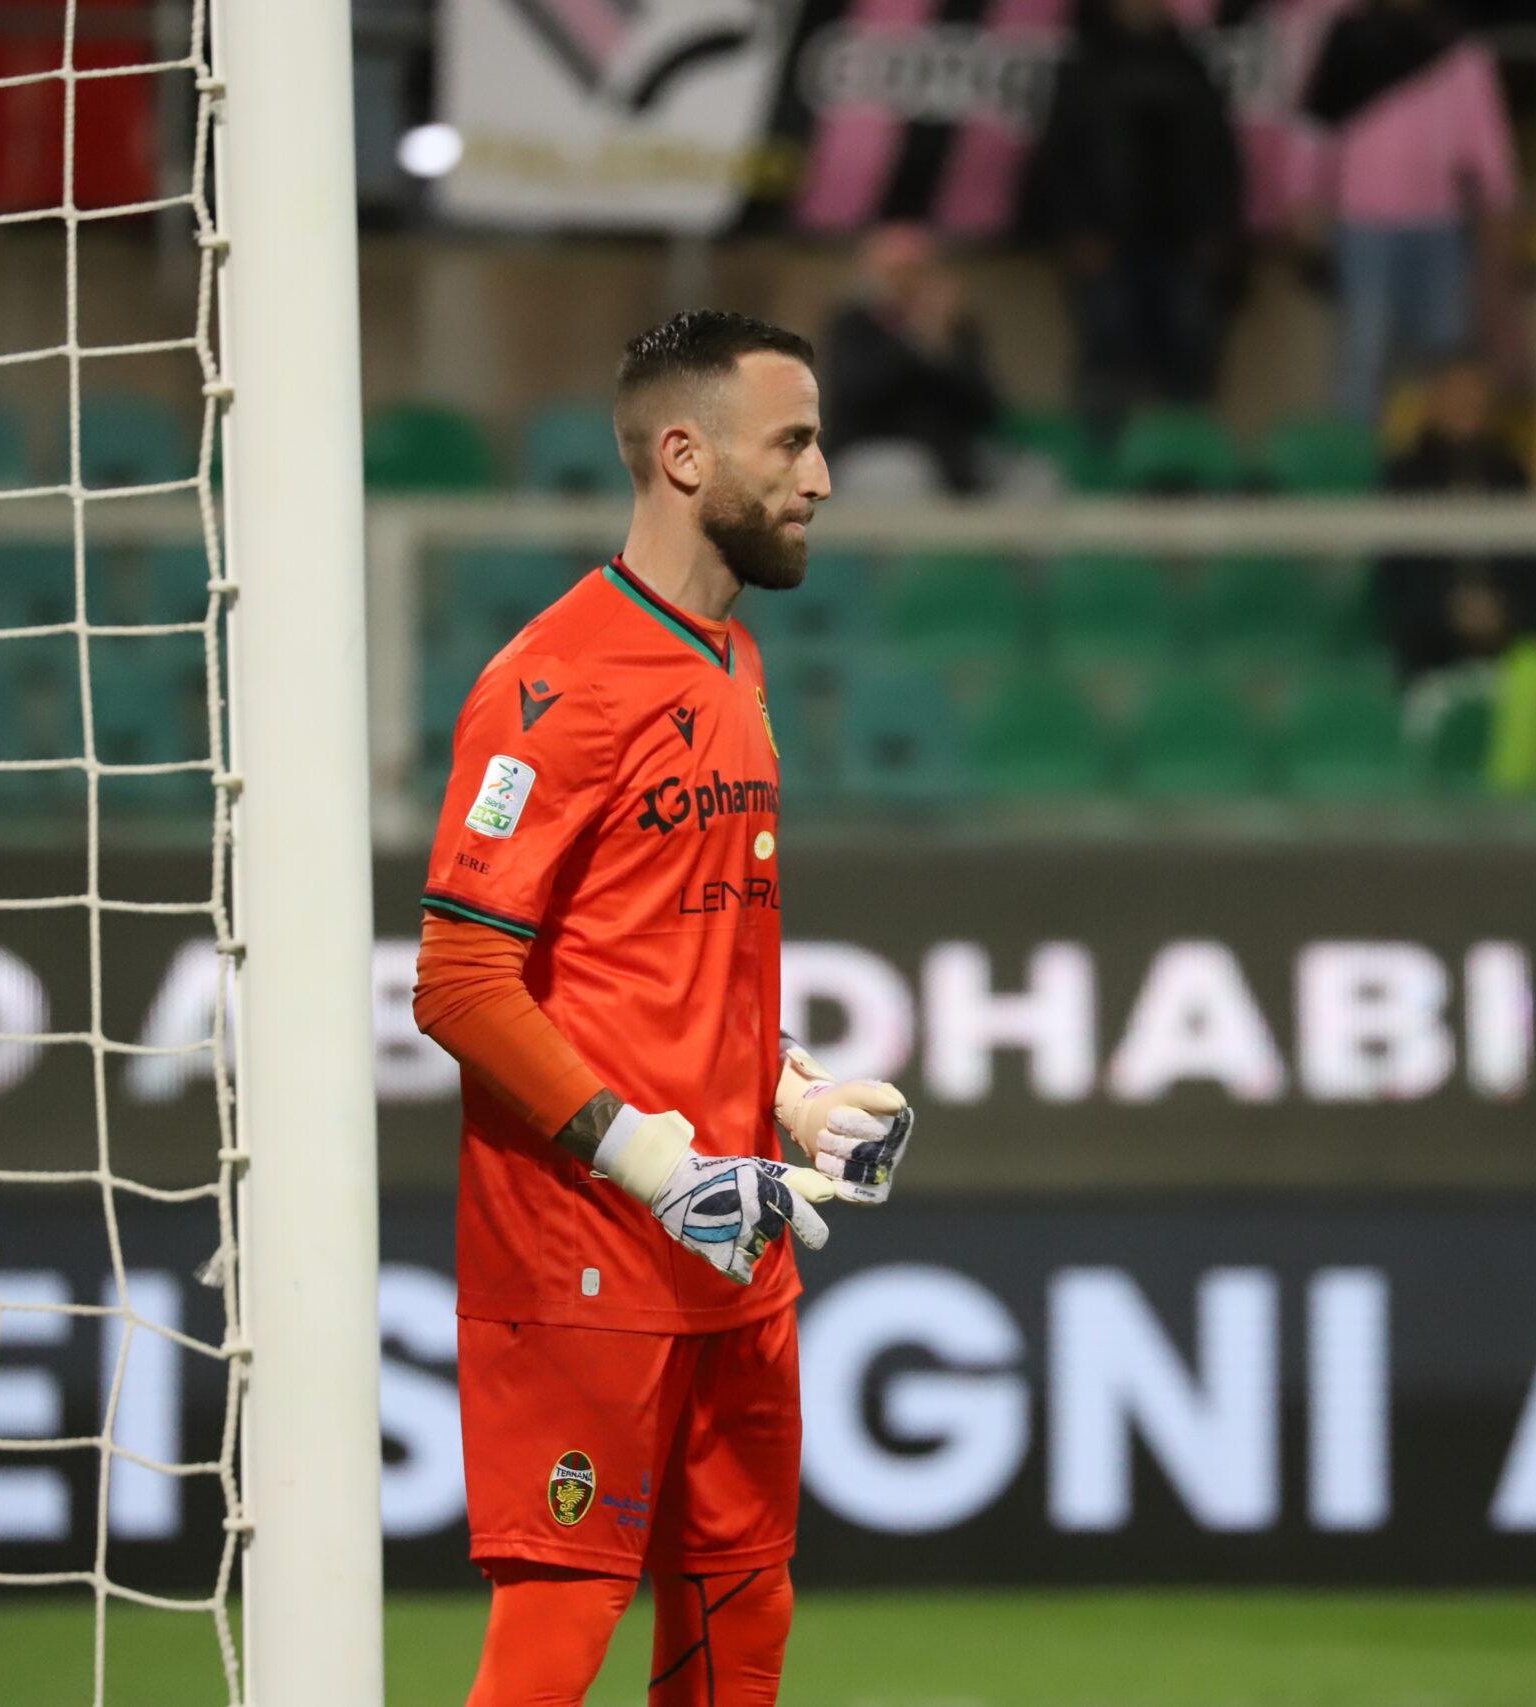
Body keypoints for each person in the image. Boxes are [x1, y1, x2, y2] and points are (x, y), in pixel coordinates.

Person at [413, 310, 920, 1707]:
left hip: (732, 1242)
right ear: (685, 455)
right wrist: (648, 1158)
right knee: (556, 1638)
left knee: (739, 1631)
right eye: (796, 442)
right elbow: (458, 979)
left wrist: (794, 1093)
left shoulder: (731, 665)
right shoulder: (553, 683)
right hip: (583, 1256)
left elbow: (682, 965)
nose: (822, 477)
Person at [1024, 0, 1246, 436]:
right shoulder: (1083, 68)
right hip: (1107, 245)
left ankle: (1183, 465)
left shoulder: (1191, 66)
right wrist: (1078, 232)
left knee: (1192, 349)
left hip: (1184, 246)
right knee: (1109, 353)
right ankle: (1101, 470)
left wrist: (1218, 230)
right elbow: (1059, 161)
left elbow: (1220, 156)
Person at [1295, 0, 1519, 430]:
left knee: (1443, 353)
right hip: (1363, 227)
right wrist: (1306, 196)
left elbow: (1487, 141)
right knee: (1364, 353)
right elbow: (1316, 126)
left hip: (1440, 228)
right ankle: (1360, 476)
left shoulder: (1459, 50)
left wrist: (1502, 208)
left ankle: (1428, 466)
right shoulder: (1347, 41)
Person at [1376, 358, 1536, 679]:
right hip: (1428, 634)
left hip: (1506, 628)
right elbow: (1396, 567)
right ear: (1433, 405)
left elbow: (1530, 561)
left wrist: (1504, 608)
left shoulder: (1511, 475)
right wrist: (1449, 610)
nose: (1465, 407)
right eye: (1455, 398)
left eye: (1474, 399)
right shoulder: (1405, 475)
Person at [821, 224, 1005, 498]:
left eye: (916, 271)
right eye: (896, 272)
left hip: (953, 456)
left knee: (1033, 477)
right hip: (873, 454)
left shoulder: (956, 331)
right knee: (906, 474)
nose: (906, 282)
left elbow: (987, 409)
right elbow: (859, 395)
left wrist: (939, 350)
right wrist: (912, 341)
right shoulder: (851, 324)